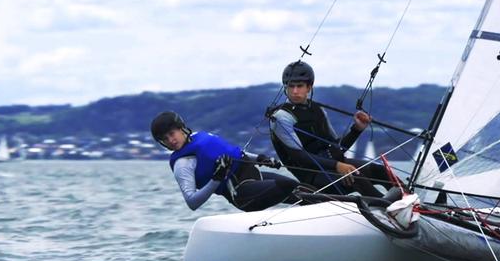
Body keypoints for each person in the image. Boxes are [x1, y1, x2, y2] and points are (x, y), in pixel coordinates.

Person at [267, 61, 397, 197]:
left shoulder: (318, 110)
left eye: (299, 86)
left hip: (332, 167)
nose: (294, 91)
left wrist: (357, 129)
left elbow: (337, 148)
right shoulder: (281, 117)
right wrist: (337, 166)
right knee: (355, 176)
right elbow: (300, 157)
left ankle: (412, 203)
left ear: (309, 87)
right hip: (313, 177)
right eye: (290, 86)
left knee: (381, 171)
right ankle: (389, 209)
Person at [151, 111, 301, 212]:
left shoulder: (199, 137)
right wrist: (217, 178)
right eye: (165, 139)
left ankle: (321, 209)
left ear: (181, 128)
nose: (171, 140)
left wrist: (260, 159)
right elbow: (192, 203)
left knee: (301, 188)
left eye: (172, 134)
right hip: (241, 193)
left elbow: (234, 154)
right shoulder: (182, 164)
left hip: (255, 176)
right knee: (288, 186)